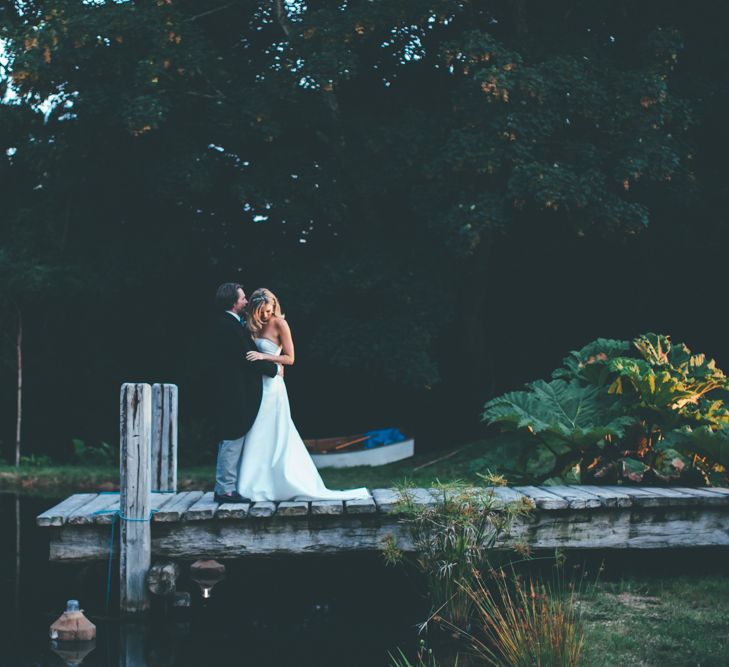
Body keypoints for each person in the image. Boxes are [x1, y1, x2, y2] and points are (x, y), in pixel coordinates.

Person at [237, 288, 371, 501]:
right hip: (255, 384)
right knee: (256, 433)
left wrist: (264, 356)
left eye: (268, 311)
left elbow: (290, 359)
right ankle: (252, 484)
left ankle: (280, 483)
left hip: (273, 387)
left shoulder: (280, 323)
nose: (265, 316)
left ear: (274, 307)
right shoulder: (250, 326)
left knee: (274, 432)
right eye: (261, 312)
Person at [210, 282, 280, 504]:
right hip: (234, 391)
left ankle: (226, 486)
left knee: (232, 436)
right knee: (233, 436)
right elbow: (248, 357)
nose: (246, 302)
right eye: (242, 298)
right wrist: (275, 369)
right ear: (234, 302)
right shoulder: (228, 326)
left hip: (232, 390)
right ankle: (225, 490)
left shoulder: (229, 324)